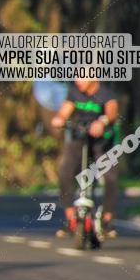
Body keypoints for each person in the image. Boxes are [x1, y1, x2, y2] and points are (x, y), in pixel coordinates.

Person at [51, 80, 119, 237]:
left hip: (102, 142)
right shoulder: (75, 93)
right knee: (64, 173)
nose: (77, 81)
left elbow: (112, 112)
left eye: (81, 77)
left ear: (93, 78)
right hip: (79, 139)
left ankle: (107, 222)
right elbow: (64, 111)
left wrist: (103, 122)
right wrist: (59, 119)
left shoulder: (106, 93)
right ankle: (71, 219)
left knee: (110, 178)